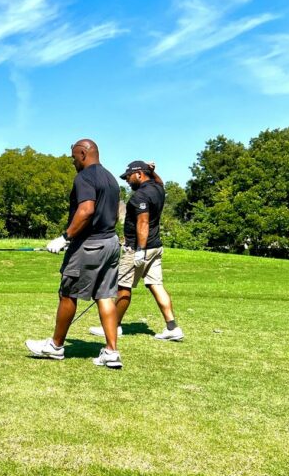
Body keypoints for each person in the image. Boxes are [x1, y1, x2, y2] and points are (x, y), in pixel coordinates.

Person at [25, 139, 123, 368]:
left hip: (90, 245)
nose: (72, 162)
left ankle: (55, 346)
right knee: (105, 296)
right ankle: (111, 352)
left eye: (73, 157)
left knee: (68, 293)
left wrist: (65, 237)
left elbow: (86, 209)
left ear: (82, 153)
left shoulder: (85, 177)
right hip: (110, 242)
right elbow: (114, 214)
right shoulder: (111, 179)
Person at [89, 160, 184, 341]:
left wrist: (139, 249)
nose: (127, 180)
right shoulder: (158, 188)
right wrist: (153, 172)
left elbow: (143, 223)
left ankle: (114, 326)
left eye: (129, 177)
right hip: (156, 247)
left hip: (139, 248)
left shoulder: (139, 196)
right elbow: (160, 182)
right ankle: (172, 327)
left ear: (139, 174)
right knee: (156, 285)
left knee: (123, 287)